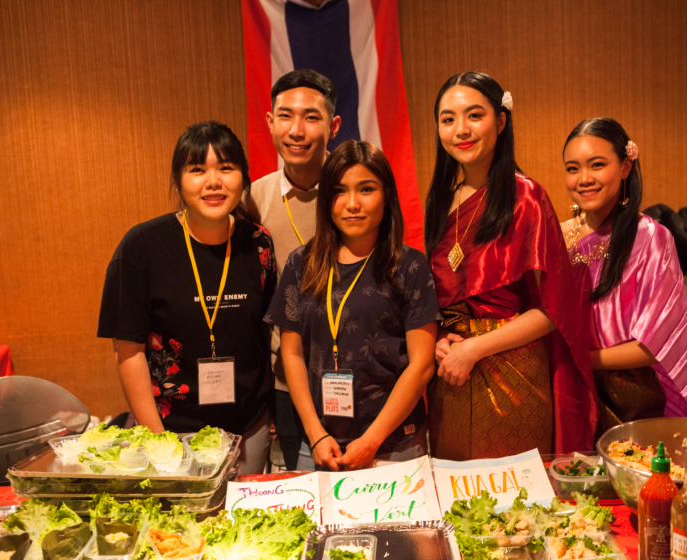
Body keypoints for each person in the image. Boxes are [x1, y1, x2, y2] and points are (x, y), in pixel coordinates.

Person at [425, 72, 597, 460]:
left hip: (513, 376)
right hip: (452, 376)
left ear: (500, 122)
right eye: (448, 119)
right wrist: (442, 340)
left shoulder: (526, 197)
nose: (461, 130)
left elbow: (554, 311)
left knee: (513, 506)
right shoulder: (442, 199)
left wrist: (474, 349)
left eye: (474, 116)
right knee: (457, 503)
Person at [97, 121, 276, 474]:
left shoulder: (258, 244)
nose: (214, 182)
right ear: (178, 180)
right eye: (198, 170)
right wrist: (157, 441)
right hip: (171, 430)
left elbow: (265, 336)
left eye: (226, 168)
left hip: (249, 426)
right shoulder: (142, 247)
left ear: (243, 177)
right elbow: (128, 351)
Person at [265, 140, 440, 471]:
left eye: (366, 189)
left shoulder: (410, 267)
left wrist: (370, 442)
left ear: (387, 195)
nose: (352, 204)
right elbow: (291, 353)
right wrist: (315, 434)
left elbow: (422, 365)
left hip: (394, 447)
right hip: (318, 446)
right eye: (339, 191)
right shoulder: (301, 264)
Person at [560, 117, 687, 436]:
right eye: (573, 169)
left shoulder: (651, 239)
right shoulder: (557, 238)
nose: (584, 179)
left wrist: (581, 360)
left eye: (597, 165)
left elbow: (652, 345)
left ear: (626, 167)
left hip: (632, 396)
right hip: (567, 389)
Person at [248, 69, 341, 471]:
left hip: (360, 373)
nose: (297, 130)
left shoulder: (357, 192)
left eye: (311, 117)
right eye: (285, 116)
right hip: (286, 381)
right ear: (270, 123)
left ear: (333, 125)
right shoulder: (253, 200)